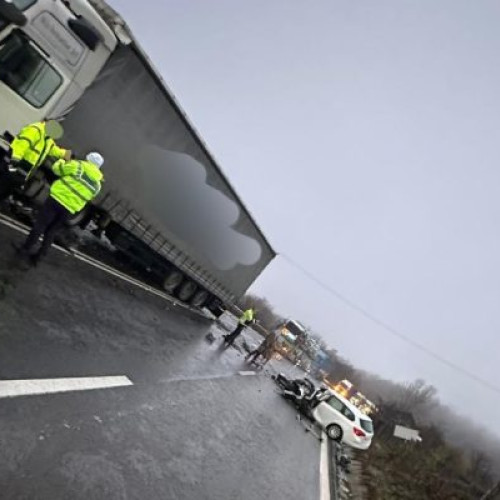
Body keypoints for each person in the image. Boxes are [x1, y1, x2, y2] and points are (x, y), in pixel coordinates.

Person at [16, 152, 104, 266]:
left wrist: (63, 159)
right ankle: (38, 258)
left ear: (88, 160)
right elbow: (89, 196)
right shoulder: (97, 184)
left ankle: (24, 249)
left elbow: (57, 169)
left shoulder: (78, 165)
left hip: (56, 200)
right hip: (69, 209)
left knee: (40, 225)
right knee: (51, 232)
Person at [0, 120, 71, 203]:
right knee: (2, 187)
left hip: (22, 170)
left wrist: (64, 153)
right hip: (14, 165)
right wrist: (13, 164)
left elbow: (53, 149)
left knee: (5, 192)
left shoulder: (47, 139)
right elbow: (21, 146)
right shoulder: (35, 130)